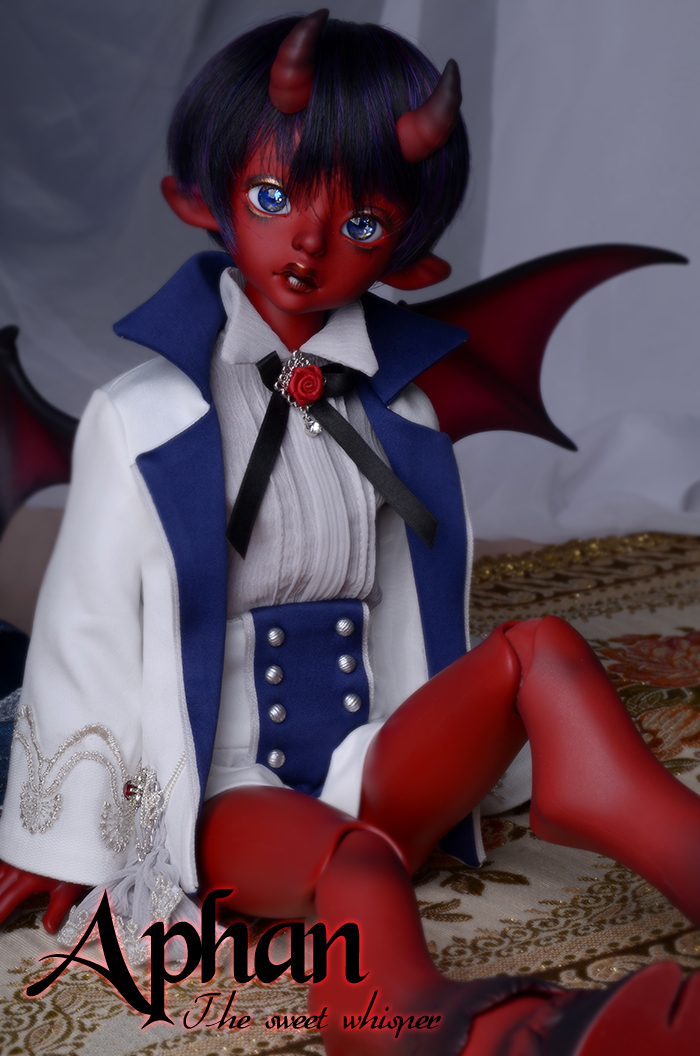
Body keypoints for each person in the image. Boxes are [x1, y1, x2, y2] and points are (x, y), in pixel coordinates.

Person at [0, 12, 698, 1054]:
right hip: (230, 785)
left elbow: (421, 598)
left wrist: (471, 739)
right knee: (354, 862)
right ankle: (446, 1031)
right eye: (272, 198)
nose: (310, 241)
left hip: (379, 754)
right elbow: (85, 628)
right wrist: (59, 831)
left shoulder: (400, 409)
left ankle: (624, 812)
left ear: (410, 259)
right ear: (200, 201)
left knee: (540, 647)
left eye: (363, 221)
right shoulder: (143, 417)